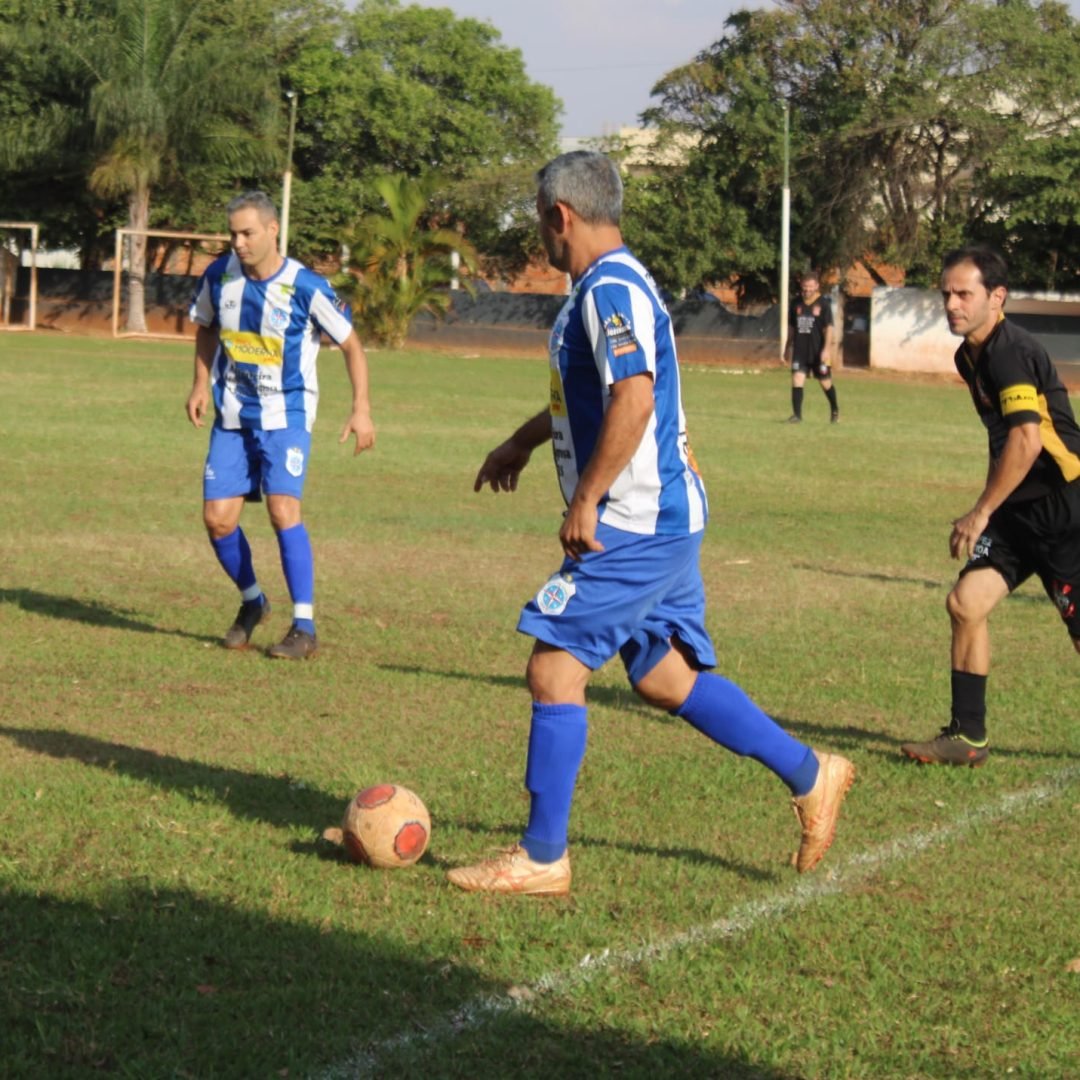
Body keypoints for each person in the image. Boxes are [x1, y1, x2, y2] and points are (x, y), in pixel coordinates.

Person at [446, 151, 855, 896]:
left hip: (636, 523)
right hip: (659, 517)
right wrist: (525, 439)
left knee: (553, 668)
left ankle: (541, 858)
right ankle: (811, 772)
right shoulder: (608, 288)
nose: (541, 235)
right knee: (666, 680)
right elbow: (602, 397)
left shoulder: (609, 290)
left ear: (559, 216)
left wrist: (584, 500)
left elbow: (633, 399)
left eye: (540, 222)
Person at [902, 245, 1080, 766]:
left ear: (996, 297)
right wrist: (990, 507)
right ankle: (967, 737)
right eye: (946, 294)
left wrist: (980, 511)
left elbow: (1027, 440)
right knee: (966, 603)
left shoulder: (1008, 352)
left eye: (964, 293)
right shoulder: (970, 357)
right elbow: (1003, 442)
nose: (952, 304)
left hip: (1062, 509)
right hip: (1018, 512)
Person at [186, 191, 375, 659]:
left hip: (286, 416)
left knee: (282, 510)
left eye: (247, 233)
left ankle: (304, 627)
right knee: (217, 520)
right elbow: (206, 327)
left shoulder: (306, 286)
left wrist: (361, 407)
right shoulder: (219, 276)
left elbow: (350, 344)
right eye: (232, 233)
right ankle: (254, 602)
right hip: (232, 415)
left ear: (272, 231)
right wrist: (198, 384)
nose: (239, 242)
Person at [785, 271, 840, 423]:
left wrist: (826, 350)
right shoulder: (795, 303)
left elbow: (828, 328)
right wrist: (787, 347)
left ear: (816, 286)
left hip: (818, 352)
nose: (807, 289)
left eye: (810, 286)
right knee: (797, 378)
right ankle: (797, 415)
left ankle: (835, 410)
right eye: (804, 286)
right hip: (800, 351)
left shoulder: (823, 303)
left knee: (825, 382)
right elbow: (791, 327)